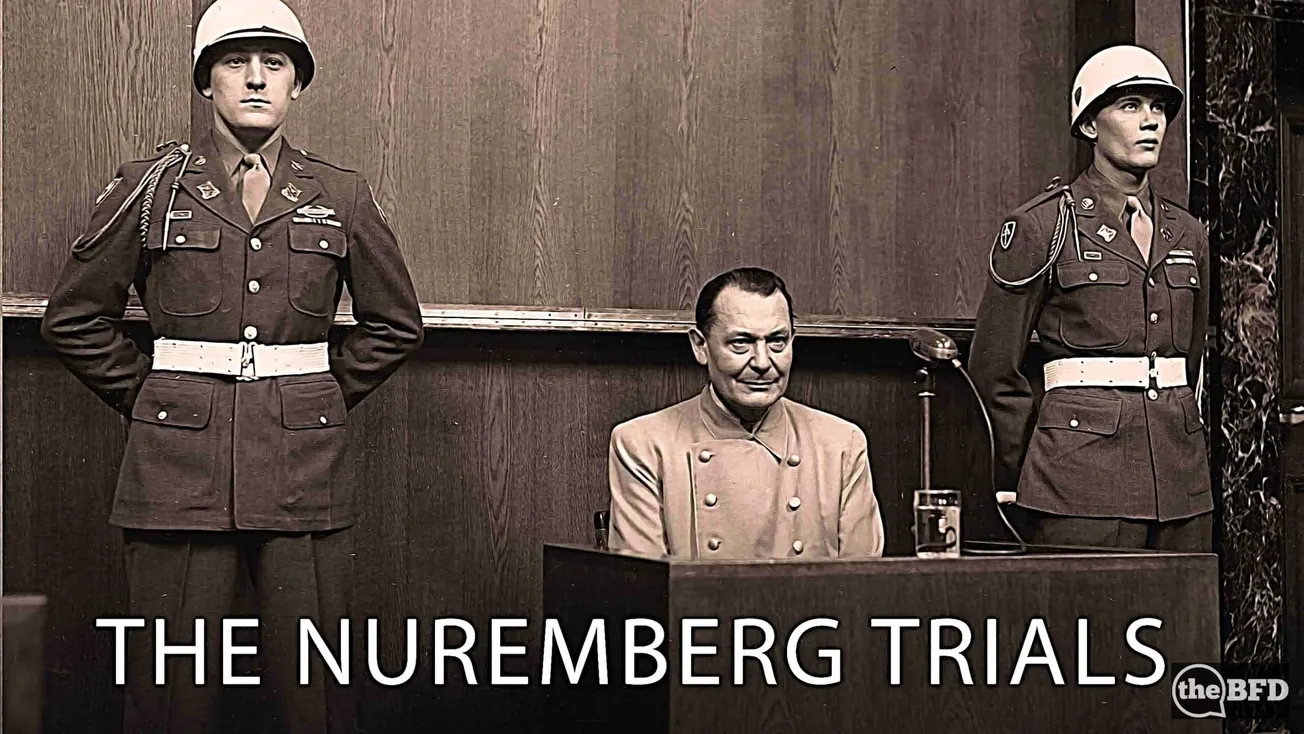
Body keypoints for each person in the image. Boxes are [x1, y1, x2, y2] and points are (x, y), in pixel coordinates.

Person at [39, 1, 424, 731]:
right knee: (169, 701)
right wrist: (153, 398)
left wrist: (313, 401)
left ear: (297, 85)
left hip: (301, 470)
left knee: (317, 696)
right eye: (234, 62)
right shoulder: (151, 187)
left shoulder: (339, 194)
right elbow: (74, 318)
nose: (255, 79)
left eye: (274, 65)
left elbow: (396, 324)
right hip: (178, 470)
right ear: (205, 81)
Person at [968, 44, 1212, 551]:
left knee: (1184, 604)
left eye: (1159, 108)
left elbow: (1189, 360)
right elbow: (993, 368)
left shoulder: (1187, 233)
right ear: (1088, 125)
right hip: (1077, 483)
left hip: (1180, 481)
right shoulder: (1043, 226)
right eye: (1130, 106)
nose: (1151, 121)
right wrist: (1030, 472)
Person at [606, 267, 885, 559]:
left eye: (777, 341)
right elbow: (644, 581)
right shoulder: (642, 444)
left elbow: (862, 580)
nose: (762, 362)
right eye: (741, 342)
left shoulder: (842, 444)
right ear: (700, 346)